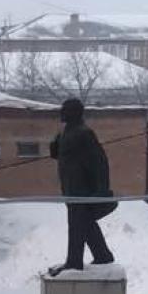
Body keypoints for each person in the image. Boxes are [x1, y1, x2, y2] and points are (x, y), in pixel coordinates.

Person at [46, 97, 115, 275]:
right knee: (86, 223)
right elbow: (60, 155)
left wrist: (101, 190)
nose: (61, 113)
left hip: (82, 190)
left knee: (77, 224)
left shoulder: (84, 133)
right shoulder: (68, 132)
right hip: (71, 188)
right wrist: (55, 145)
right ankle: (102, 255)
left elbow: (100, 162)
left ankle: (74, 261)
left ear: (74, 112)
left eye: (65, 110)